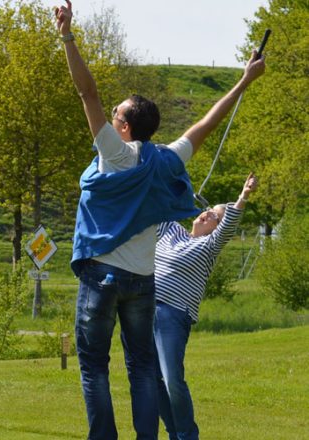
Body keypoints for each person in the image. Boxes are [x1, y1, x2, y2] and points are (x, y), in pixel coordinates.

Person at [54, 1, 265, 438]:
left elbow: (86, 93)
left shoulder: (114, 156)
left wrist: (67, 35)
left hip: (102, 275)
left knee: (94, 366)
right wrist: (244, 80)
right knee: (142, 368)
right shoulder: (165, 159)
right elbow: (206, 124)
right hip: (143, 281)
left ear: (125, 128)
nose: (109, 117)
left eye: (116, 115)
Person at [154, 173, 258, 440]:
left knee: (171, 379)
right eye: (206, 211)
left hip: (173, 314)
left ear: (217, 227)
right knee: (153, 382)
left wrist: (242, 197)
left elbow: (229, 226)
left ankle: (188, 436)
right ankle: (174, 433)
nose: (205, 215)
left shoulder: (209, 246)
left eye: (214, 215)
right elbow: (156, 206)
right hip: (144, 310)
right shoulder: (171, 231)